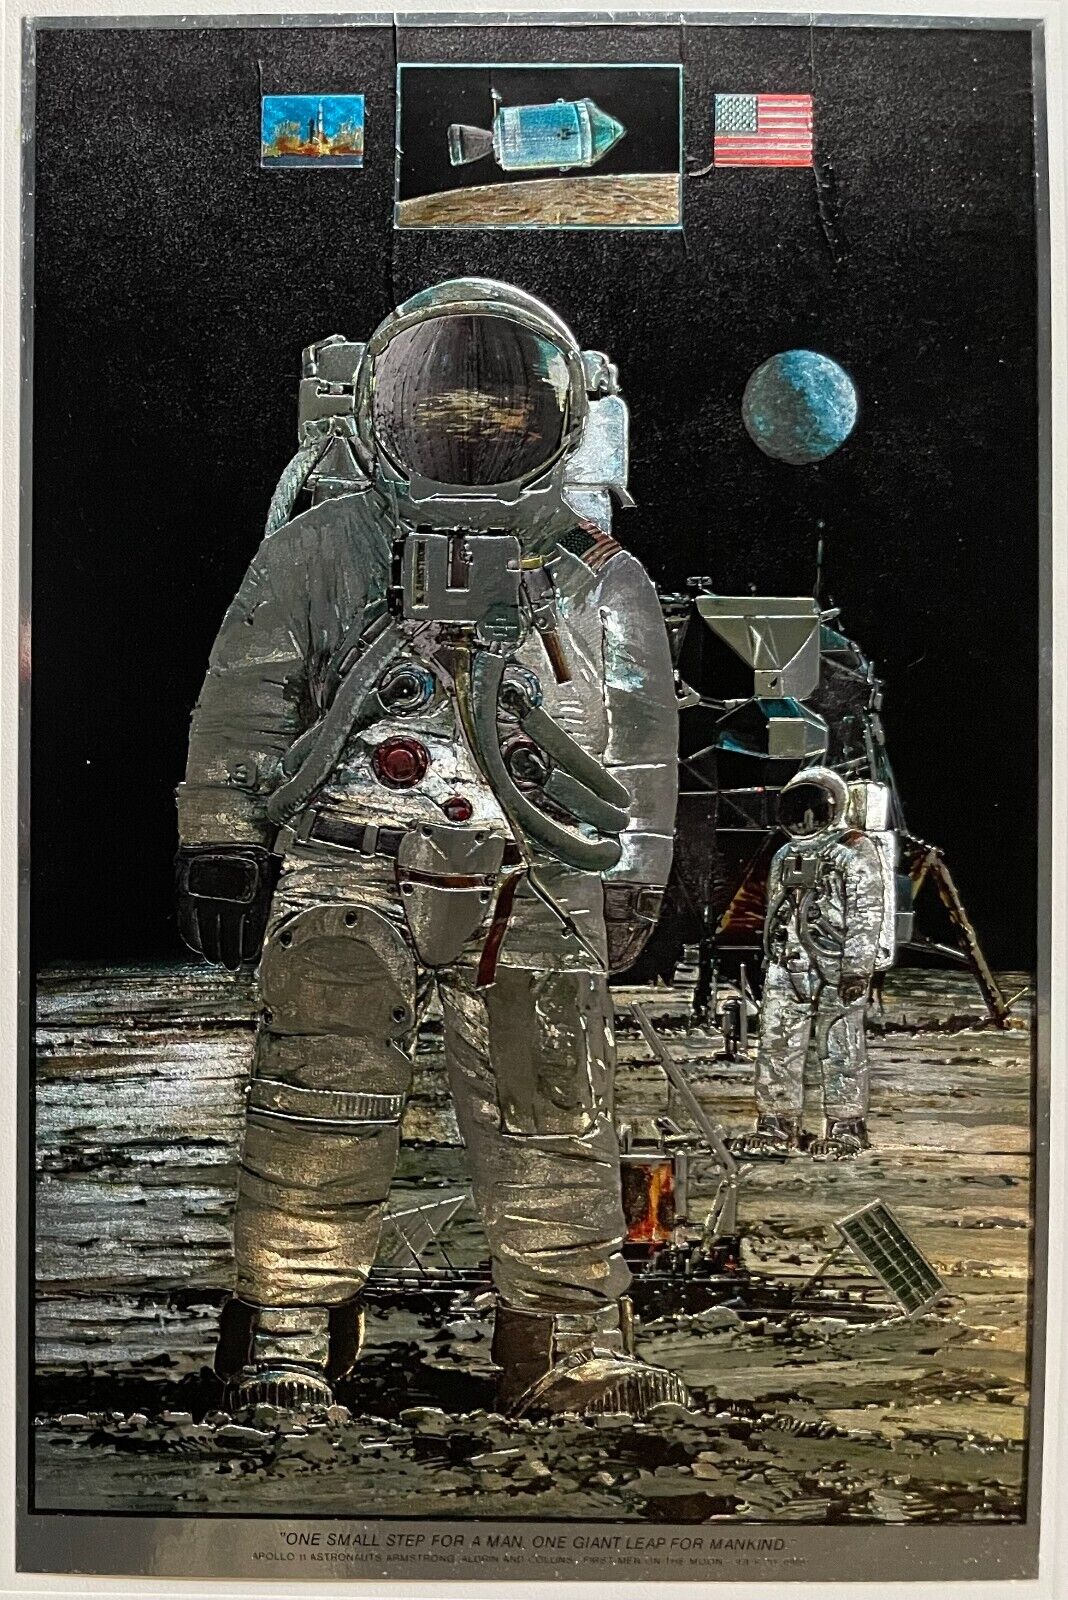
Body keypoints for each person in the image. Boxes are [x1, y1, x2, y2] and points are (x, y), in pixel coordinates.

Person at [175, 278, 688, 1418]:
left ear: (559, 415)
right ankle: (290, 1328)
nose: (472, 420)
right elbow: (248, 698)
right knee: (319, 1094)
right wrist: (219, 835)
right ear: (379, 405)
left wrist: (636, 867)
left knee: (552, 1104)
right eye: (441, 397)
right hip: (350, 855)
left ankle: (567, 1332)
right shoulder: (324, 550)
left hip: (536, 867)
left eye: (502, 404)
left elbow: (640, 735)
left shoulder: (597, 572)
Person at [734, 766, 884, 1161]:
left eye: (812, 811)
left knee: (840, 1045)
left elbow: (867, 912)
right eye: (797, 811)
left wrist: (857, 967)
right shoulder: (786, 854)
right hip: (788, 962)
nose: (804, 821)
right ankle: (776, 1125)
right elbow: (775, 908)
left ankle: (846, 1128)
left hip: (836, 965)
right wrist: (773, 955)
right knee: (777, 1045)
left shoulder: (854, 849)